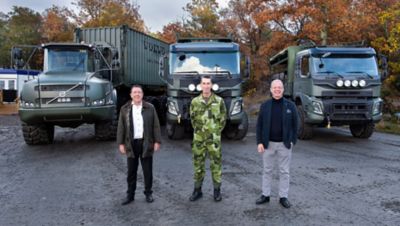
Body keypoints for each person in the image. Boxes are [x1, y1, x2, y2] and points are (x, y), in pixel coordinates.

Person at [255, 79, 299, 208]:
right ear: (271, 89)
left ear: (283, 90)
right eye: (275, 87)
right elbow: (259, 126)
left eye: (279, 87)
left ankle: (283, 197)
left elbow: (296, 125)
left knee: (284, 171)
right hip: (268, 144)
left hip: (284, 144)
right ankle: (265, 195)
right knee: (267, 170)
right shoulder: (265, 105)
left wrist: (292, 141)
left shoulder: (290, 106)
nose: (277, 89)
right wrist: (259, 142)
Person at [117, 85, 161, 205]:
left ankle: (148, 193)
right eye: (135, 92)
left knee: (147, 171)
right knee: (131, 171)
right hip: (131, 144)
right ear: (131, 95)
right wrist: (121, 143)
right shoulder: (124, 109)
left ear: (142, 94)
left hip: (146, 143)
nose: (137, 94)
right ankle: (130, 195)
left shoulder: (150, 108)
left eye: (139, 92)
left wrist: (157, 141)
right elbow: (121, 127)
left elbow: (156, 125)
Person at [189, 75, 227, 202]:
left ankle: (217, 191)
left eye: (208, 83)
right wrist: (201, 132)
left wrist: (215, 131)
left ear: (211, 85)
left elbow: (223, 119)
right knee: (198, 165)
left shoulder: (219, 101)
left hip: (214, 140)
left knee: (216, 165)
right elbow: (193, 119)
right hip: (199, 139)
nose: (206, 85)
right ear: (200, 85)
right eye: (204, 83)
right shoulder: (194, 102)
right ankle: (197, 190)